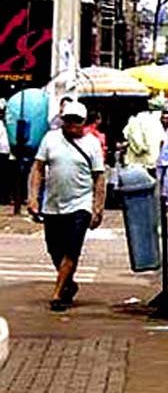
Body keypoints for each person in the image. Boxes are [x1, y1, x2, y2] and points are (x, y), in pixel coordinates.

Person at [27, 100, 105, 312]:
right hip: (53, 205)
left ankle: (57, 293)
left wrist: (98, 209)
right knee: (55, 249)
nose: (71, 125)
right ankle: (68, 283)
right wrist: (33, 197)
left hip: (80, 205)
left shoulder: (92, 144)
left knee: (72, 250)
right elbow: (38, 169)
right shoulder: (51, 139)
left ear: (83, 122)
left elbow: (99, 178)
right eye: (68, 120)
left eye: (76, 121)